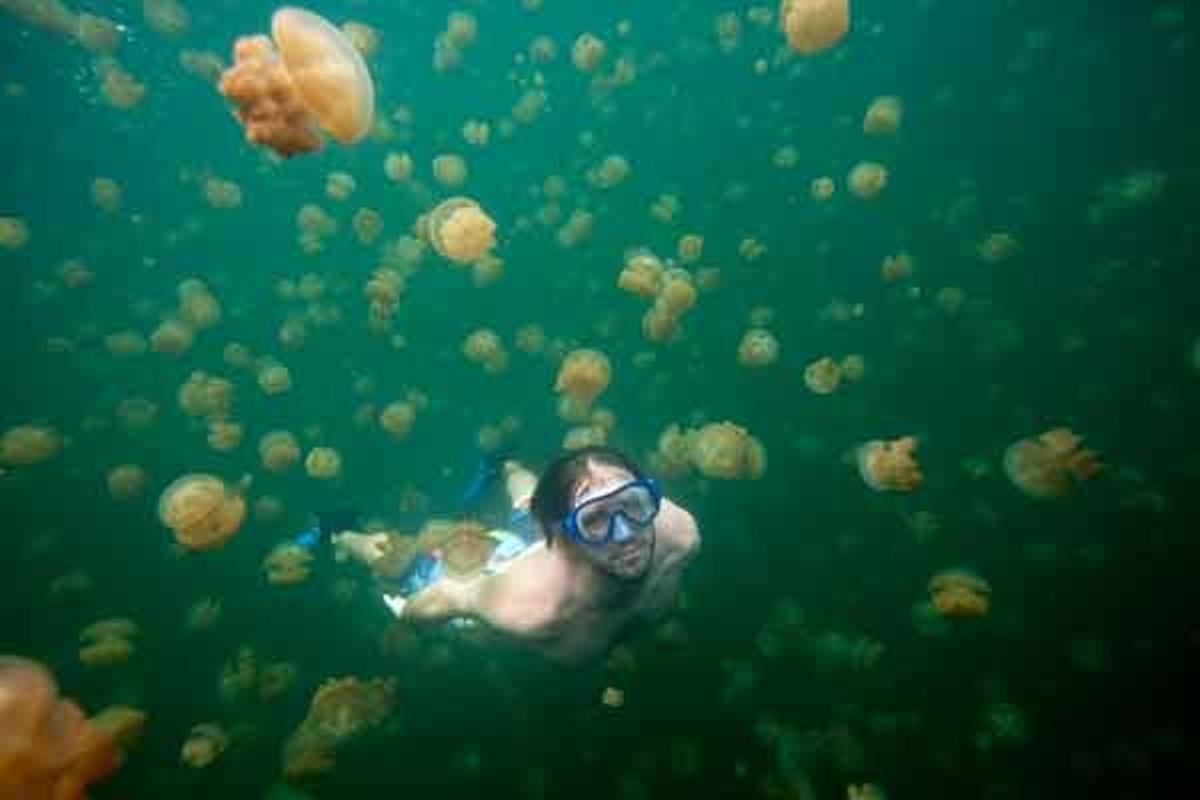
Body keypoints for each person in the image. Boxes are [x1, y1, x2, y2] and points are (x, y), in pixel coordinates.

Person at [330, 446, 701, 665]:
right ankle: (340, 532)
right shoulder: (528, 607)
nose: (625, 533)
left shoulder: (679, 535)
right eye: (595, 519)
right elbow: (454, 596)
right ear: (563, 535)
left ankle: (503, 464)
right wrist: (407, 612)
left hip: (550, 539)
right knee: (407, 564)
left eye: (633, 504)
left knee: (527, 504)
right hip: (500, 568)